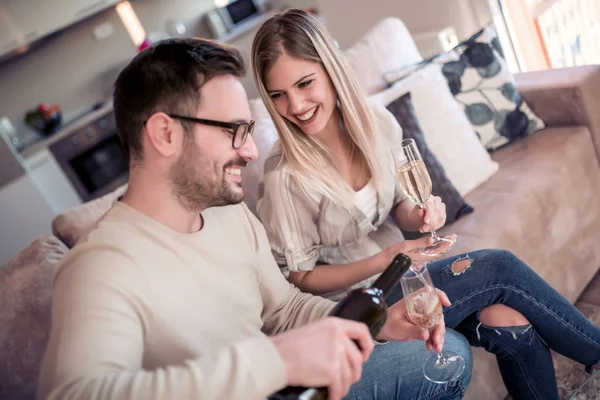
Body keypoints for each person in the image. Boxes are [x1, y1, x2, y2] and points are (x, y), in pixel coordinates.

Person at [36, 38, 474, 400]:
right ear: (165, 134)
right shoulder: (100, 267)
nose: (249, 152)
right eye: (234, 131)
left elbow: (285, 307)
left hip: (288, 388)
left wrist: (377, 326)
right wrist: (276, 360)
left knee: (448, 351)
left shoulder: (230, 215)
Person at [252, 9, 600, 400]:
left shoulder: (375, 123)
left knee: (508, 324)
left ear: (330, 70)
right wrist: (382, 260)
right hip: (356, 310)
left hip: (406, 279)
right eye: (278, 95)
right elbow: (300, 277)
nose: (295, 105)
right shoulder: (286, 175)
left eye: (304, 83)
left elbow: (398, 202)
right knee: (498, 267)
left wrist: (417, 214)